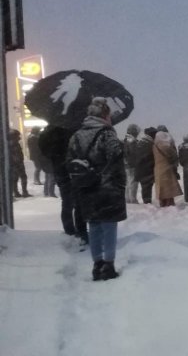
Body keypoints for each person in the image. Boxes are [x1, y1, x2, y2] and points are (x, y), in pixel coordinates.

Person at [66, 98, 126, 280]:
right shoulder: (106, 134)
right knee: (109, 225)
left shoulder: (76, 136)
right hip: (106, 186)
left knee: (94, 224)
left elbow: (69, 161)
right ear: (104, 115)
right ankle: (108, 265)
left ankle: (96, 263)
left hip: (86, 186)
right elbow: (115, 155)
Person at [40, 125, 86, 241]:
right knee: (78, 203)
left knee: (67, 202)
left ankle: (69, 230)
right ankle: (81, 230)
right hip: (73, 169)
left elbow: (44, 150)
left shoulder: (49, 133)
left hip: (59, 170)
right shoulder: (71, 130)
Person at [153, 130, 182, 207]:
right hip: (167, 168)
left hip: (157, 169)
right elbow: (173, 155)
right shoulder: (167, 146)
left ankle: (162, 202)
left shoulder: (154, 146)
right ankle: (169, 203)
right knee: (168, 187)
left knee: (160, 187)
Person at [134, 127, 157, 204]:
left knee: (145, 186)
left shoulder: (141, 142)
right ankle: (147, 202)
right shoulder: (149, 143)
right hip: (147, 168)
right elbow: (149, 156)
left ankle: (146, 201)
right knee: (147, 186)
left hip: (141, 168)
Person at [8, 128, 30, 198]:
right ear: (14, 136)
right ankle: (24, 192)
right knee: (23, 177)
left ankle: (16, 192)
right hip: (17, 163)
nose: (19, 137)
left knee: (15, 178)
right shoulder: (14, 143)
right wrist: (18, 162)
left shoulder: (11, 142)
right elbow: (15, 155)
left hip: (14, 163)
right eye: (18, 135)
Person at [123, 124, 140, 203]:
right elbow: (134, 153)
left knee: (127, 182)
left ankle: (127, 199)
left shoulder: (125, 140)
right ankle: (133, 199)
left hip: (125, 164)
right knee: (133, 182)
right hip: (132, 164)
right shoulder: (132, 141)